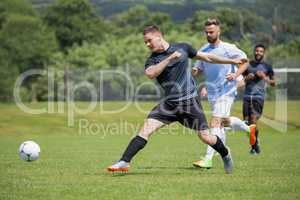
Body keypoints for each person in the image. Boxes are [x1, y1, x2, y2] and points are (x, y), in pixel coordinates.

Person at [107, 25, 246, 174]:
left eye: (149, 41)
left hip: (189, 103)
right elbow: (150, 73)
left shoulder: (183, 47)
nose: (147, 44)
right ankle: (124, 161)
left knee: (206, 137)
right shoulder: (152, 60)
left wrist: (231, 61)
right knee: (145, 130)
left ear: (159, 37)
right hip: (170, 104)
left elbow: (207, 57)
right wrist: (169, 58)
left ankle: (225, 154)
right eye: (145, 42)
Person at [191, 18, 256, 169]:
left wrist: (235, 75)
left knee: (215, 122)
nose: (209, 34)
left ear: (218, 31)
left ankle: (208, 159)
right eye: (206, 32)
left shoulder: (229, 48)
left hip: (227, 90)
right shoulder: (204, 49)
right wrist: (196, 71)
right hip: (213, 92)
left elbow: (245, 62)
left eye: (211, 32)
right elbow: (200, 68)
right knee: (222, 122)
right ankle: (248, 129)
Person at [242, 44, 276, 155]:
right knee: (247, 123)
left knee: (253, 121)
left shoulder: (267, 67)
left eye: (260, 51)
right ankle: (255, 143)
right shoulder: (248, 65)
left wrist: (264, 77)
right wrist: (248, 77)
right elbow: (241, 80)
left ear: (263, 53)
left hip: (258, 97)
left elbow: (273, 83)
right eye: (256, 51)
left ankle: (254, 147)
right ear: (254, 51)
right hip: (247, 96)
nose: (258, 53)